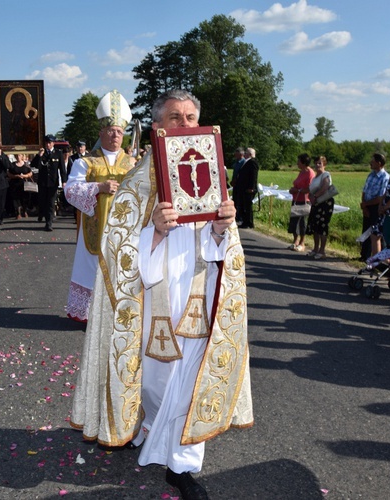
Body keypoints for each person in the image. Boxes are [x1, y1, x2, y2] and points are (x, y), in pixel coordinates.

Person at [70, 90, 252, 500]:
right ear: (157, 127)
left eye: (191, 117)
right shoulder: (137, 180)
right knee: (156, 380)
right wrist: (154, 229)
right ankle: (150, 425)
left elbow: (221, 248)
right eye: (175, 117)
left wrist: (221, 229)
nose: (185, 125)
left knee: (190, 378)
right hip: (152, 299)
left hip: (201, 294)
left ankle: (182, 465)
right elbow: (117, 254)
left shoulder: (212, 168)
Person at [64, 90, 134, 323]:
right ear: (101, 133)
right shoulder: (86, 162)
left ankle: (119, 315)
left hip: (125, 229)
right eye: (111, 131)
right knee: (92, 269)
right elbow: (70, 190)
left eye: (119, 132)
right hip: (95, 226)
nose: (115, 135)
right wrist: (98, 187)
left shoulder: (133, 163)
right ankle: (88, 315)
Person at [32, 134, 67, 231]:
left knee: (51, 203)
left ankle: (49, 223)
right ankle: (42, 215)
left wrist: (64, 181)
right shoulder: (42, 153)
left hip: (53, 182)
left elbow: (62, 169)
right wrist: (39, 156)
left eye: (50, 143)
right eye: (47, 143)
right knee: (43, 202)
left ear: (53, 143)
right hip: (42, 183)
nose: (48, 144)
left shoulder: (58, 153)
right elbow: (34, 165)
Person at [359, 153, 390, 260]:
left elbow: (380, 197)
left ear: (379, 163)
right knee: (366, 231)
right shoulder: (371, 175)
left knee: (375, 233)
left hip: (376, 207)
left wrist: (366, 205)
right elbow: (364, 191)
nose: (370, 163)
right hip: (367, 206)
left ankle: (377, 258)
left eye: (372, 161)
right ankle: (364, 256)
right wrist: (364, 206)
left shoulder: (385, 177)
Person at [306, 155, 334, 259]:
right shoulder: (315, 177)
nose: (317, 165)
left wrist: (315, 196)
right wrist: (311, 196)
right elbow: (311, 189)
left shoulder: (326, 175)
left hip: (325, 203)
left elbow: (325, 187)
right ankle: (315, 249)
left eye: (320, 163)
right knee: (315, 226)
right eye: (316, 163)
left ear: (324, 164)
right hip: (316, 203)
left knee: (322, 226)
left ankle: (322, 251)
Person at [287, 153, 315, 251]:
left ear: (303, 162)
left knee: (302, 222)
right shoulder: (301, 172)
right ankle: (295, 241)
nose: (297, 163)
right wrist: (293, 189)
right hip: (296, 199)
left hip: (304, 200)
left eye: (298, 161)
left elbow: (310, 188)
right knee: (294, 221)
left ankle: (302, 243)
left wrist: (297, 190)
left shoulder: (310, 173)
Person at [233, 147, 259, 229]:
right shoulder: (247, 162)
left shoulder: (252, 162)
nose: (245, 154)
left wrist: (251, 187)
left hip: (249, 188)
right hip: (244, 187)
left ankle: (249, 223)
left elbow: (253, 176)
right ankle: (245, 221)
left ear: (250, 154)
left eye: (246, 153)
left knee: (248, 206)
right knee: (245, 205)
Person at [7, 154, 33, 219]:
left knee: (25, 198)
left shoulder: (26, 164)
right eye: (17, 156)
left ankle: (25, 210)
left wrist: (25, 176)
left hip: (24, 184)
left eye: (19, 155)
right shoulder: (12, 165)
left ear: (22, 156)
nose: (18, 157)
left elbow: (30, 173)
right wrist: (15, 176)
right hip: (14, 184)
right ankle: (18, 213)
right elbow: (9, 174)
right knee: (16, 199)